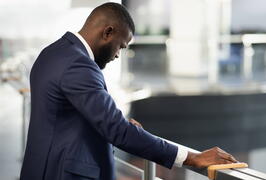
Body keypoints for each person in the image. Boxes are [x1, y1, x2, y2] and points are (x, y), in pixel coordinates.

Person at [20, 2, 237, 180]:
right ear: (108, 32)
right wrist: (192, 158)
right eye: (121, 46)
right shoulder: (78, 65)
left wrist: (119, 126)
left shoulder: (53, 52)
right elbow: (117, 130)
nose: (117, 55)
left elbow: (65, 116)